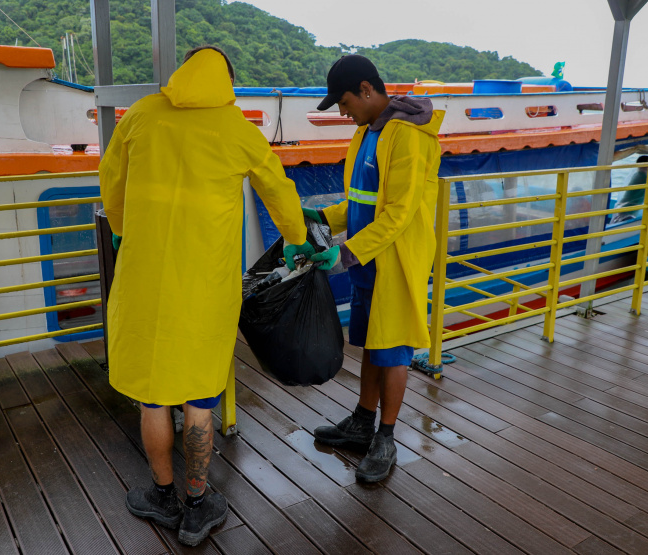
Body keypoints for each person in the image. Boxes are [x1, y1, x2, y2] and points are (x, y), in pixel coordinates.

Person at [99, 45, 313, 546]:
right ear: (227, 83)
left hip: (146, 280)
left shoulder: (142, 115)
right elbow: (278, 190)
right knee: (199, 395)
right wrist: (299, 238)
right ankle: (197, 506)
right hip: (205, 285)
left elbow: (112, 176)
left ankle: (162, 495)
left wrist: (122, 225)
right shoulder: (237, 128)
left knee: (154, 396)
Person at [304, 54, 444, 482]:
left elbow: (398, 214)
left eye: (345, 103)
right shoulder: (368, 133)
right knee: (370, 343)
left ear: (366, 90)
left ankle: (386, 437)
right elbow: (362, 203)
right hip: (369, 261)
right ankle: (363, 421)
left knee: (393, 350)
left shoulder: (408, 137)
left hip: (395, 263)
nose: (343, 113)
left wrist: (344, 255)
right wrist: (320, 220)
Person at [613, 155, 648, 223]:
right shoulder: (643, 176)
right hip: (629, 207)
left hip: (625, 206)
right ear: (644, 164)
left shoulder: (639, 174)